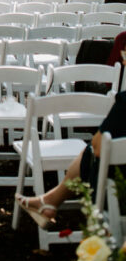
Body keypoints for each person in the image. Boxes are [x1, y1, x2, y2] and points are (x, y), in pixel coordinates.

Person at [15, 90, 126, 228]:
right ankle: (50, 200)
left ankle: (49, 202)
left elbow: (98, 147)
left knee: (94, 149)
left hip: (117, 196)